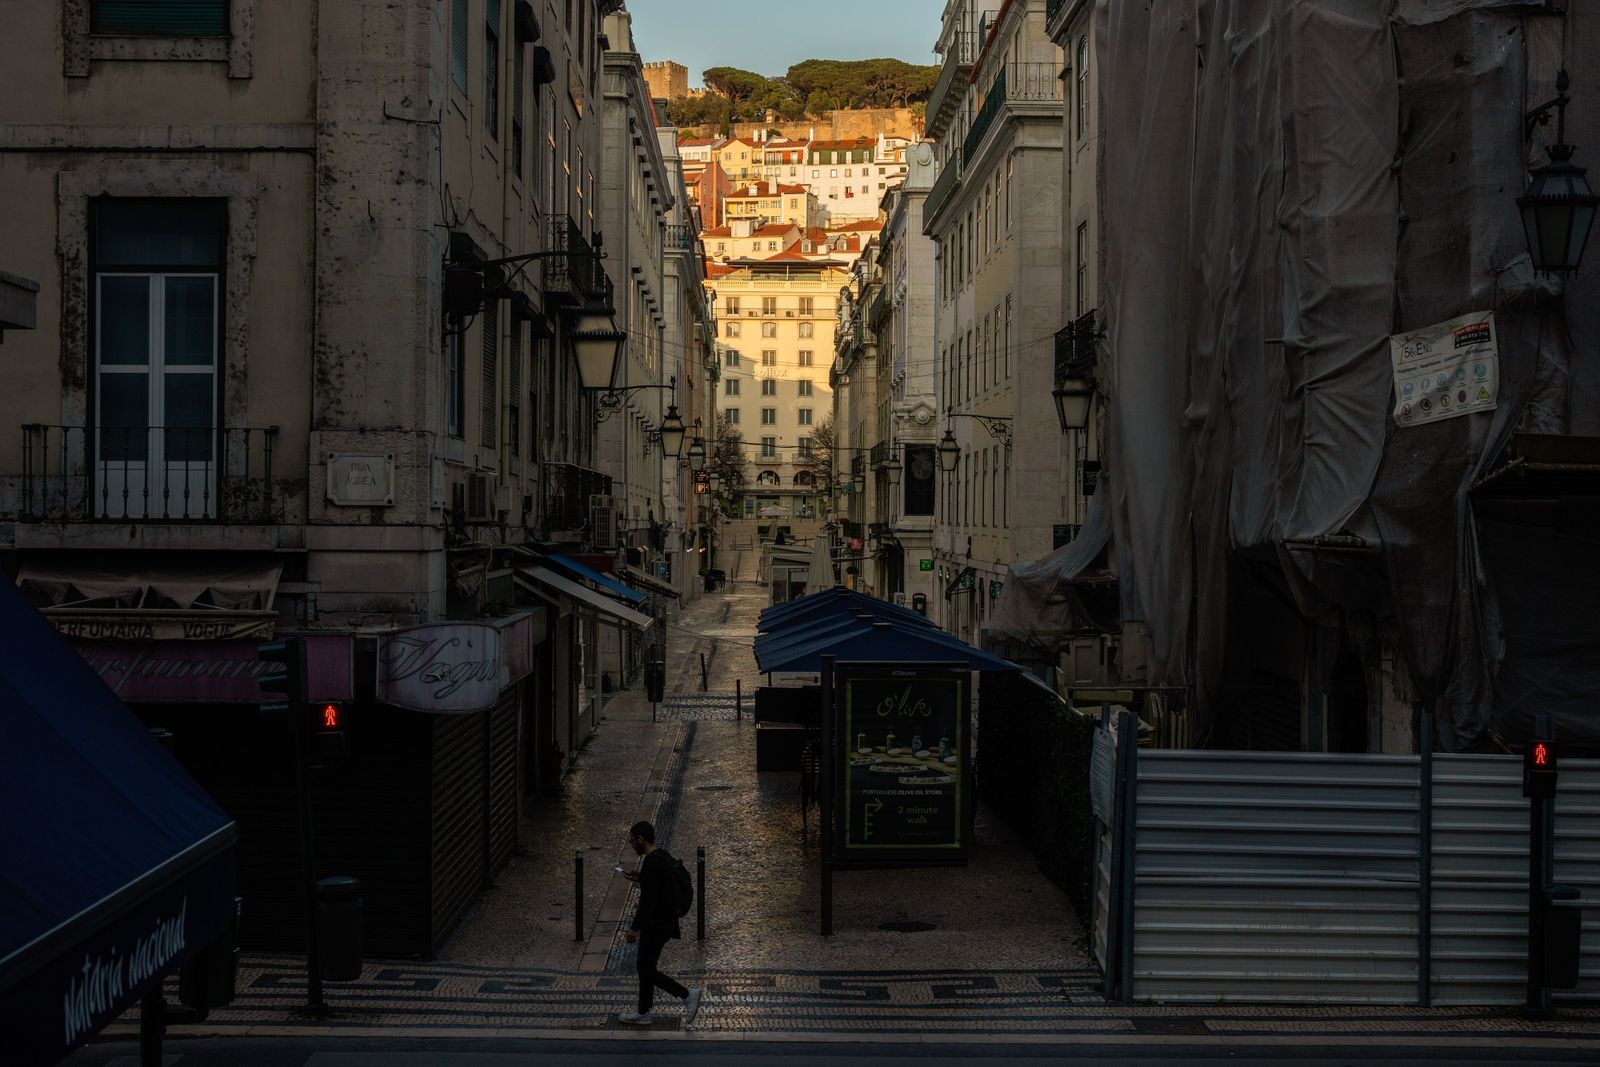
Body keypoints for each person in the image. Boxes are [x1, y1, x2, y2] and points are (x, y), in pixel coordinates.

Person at [617, 820, 703, 1026]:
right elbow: (658, 885)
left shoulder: (652, 863)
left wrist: (634, 928)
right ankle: (643, 1011)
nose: (632, 844)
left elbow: (648, 902)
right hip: (664, 923)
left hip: (656, 924)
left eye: (633, 840)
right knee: (646, 966)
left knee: (646, 968)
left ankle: (687, 994)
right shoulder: (661, 855)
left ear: (641, 839)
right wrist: (641, 877)